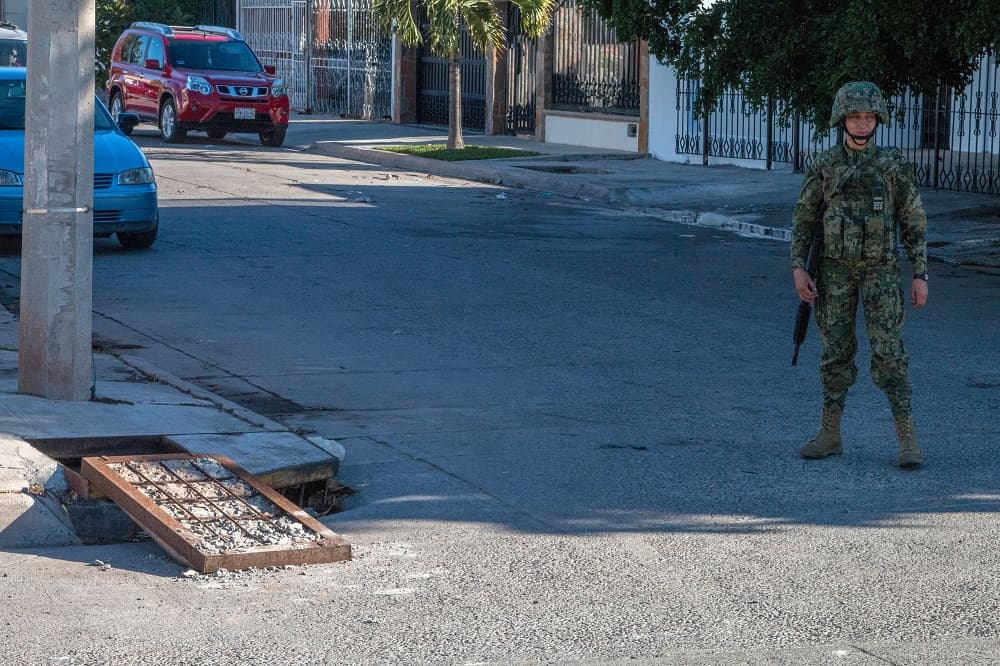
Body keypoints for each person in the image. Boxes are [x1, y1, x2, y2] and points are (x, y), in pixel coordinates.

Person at [790, 81, 929, 469]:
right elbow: (804, 219)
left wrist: (921, 272)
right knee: (835, 352)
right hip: (834, 272)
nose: (863, 124)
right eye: (856, 116)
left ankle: (907, 439)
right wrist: (799, 267)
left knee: (889, 352)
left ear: (878, 120)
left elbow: (913, 219)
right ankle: (830, 434)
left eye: (869, 117)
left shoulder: (893, 166)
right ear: (842, 119)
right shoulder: (825, 166)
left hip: (881, 272)